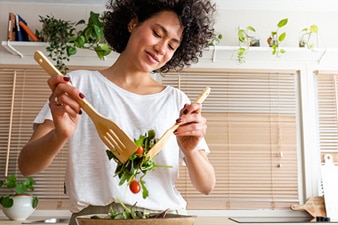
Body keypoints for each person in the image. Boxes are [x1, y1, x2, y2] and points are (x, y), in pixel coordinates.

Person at [19, 0, 216, 223]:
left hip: (164, 218)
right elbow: (26, 166)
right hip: (95, 219)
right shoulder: (78, 85)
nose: (162, 49)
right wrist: (60, 135)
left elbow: (207, 185)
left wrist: (190, 151)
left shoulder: (176, 100)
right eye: (157, 33)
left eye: (172, 45)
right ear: (133, 23)